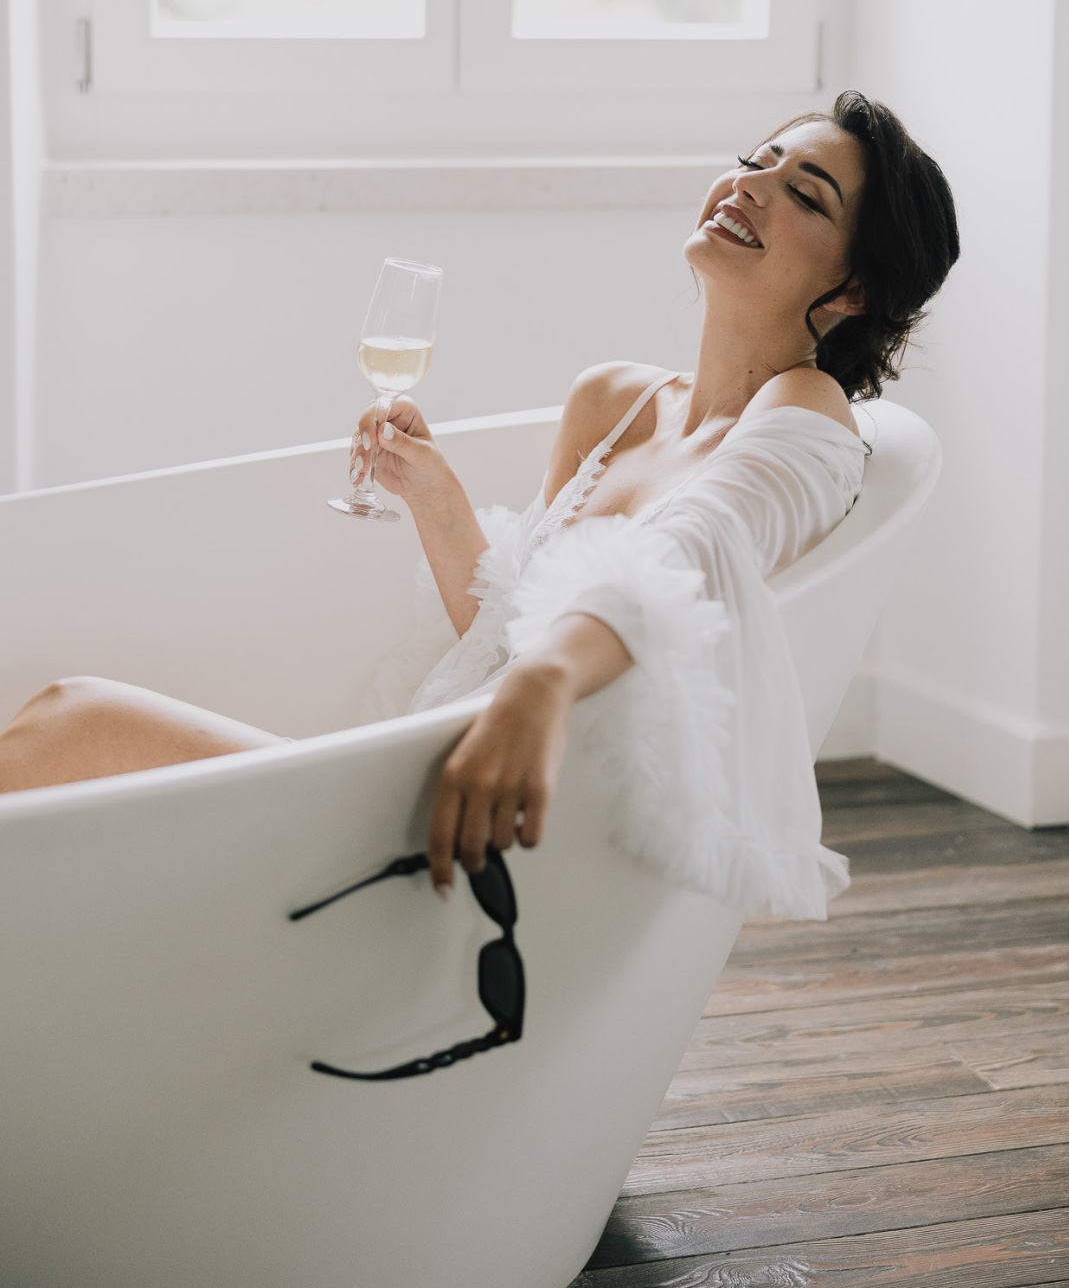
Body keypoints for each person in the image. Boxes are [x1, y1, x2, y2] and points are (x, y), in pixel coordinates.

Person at [0, 94, 959, 919]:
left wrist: (540, 689)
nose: (751, 184)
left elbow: (696, 547)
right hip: (430, 752)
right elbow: (498, 634)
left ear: (854, 287)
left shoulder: (807, 414)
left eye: (805, 193)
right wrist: (435, 494)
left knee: (74, 717)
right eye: (756, 160)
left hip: (497, 820)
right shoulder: (612, 400)